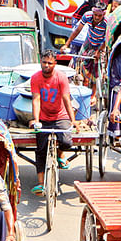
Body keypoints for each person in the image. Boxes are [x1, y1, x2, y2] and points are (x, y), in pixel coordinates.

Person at [30, 51, 76, 196]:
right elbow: (36, 100)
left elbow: (66, 99)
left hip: (60, 116)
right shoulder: (35, 78)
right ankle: (40, 183)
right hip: (43, 118)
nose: (47, 65)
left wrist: (73, 121)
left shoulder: (61, 77)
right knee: (41, 149)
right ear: (41, 62)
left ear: (55, 63)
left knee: (67, 142)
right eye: (44, 62)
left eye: (50, 63)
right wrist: (36, 120)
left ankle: (60, 155)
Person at [61, 3, 107, 89]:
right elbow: (77, 30)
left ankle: (93, 95)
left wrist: (99, 51)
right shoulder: (87, 15)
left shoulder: (106, 22)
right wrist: (67, 44)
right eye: (95, 15)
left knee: (96, 70)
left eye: (99, 16)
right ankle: (84, 81)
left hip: (100, 45)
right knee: (82, 61)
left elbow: (106, 40)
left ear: (103, 14)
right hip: (88, 41)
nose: (96, 17)